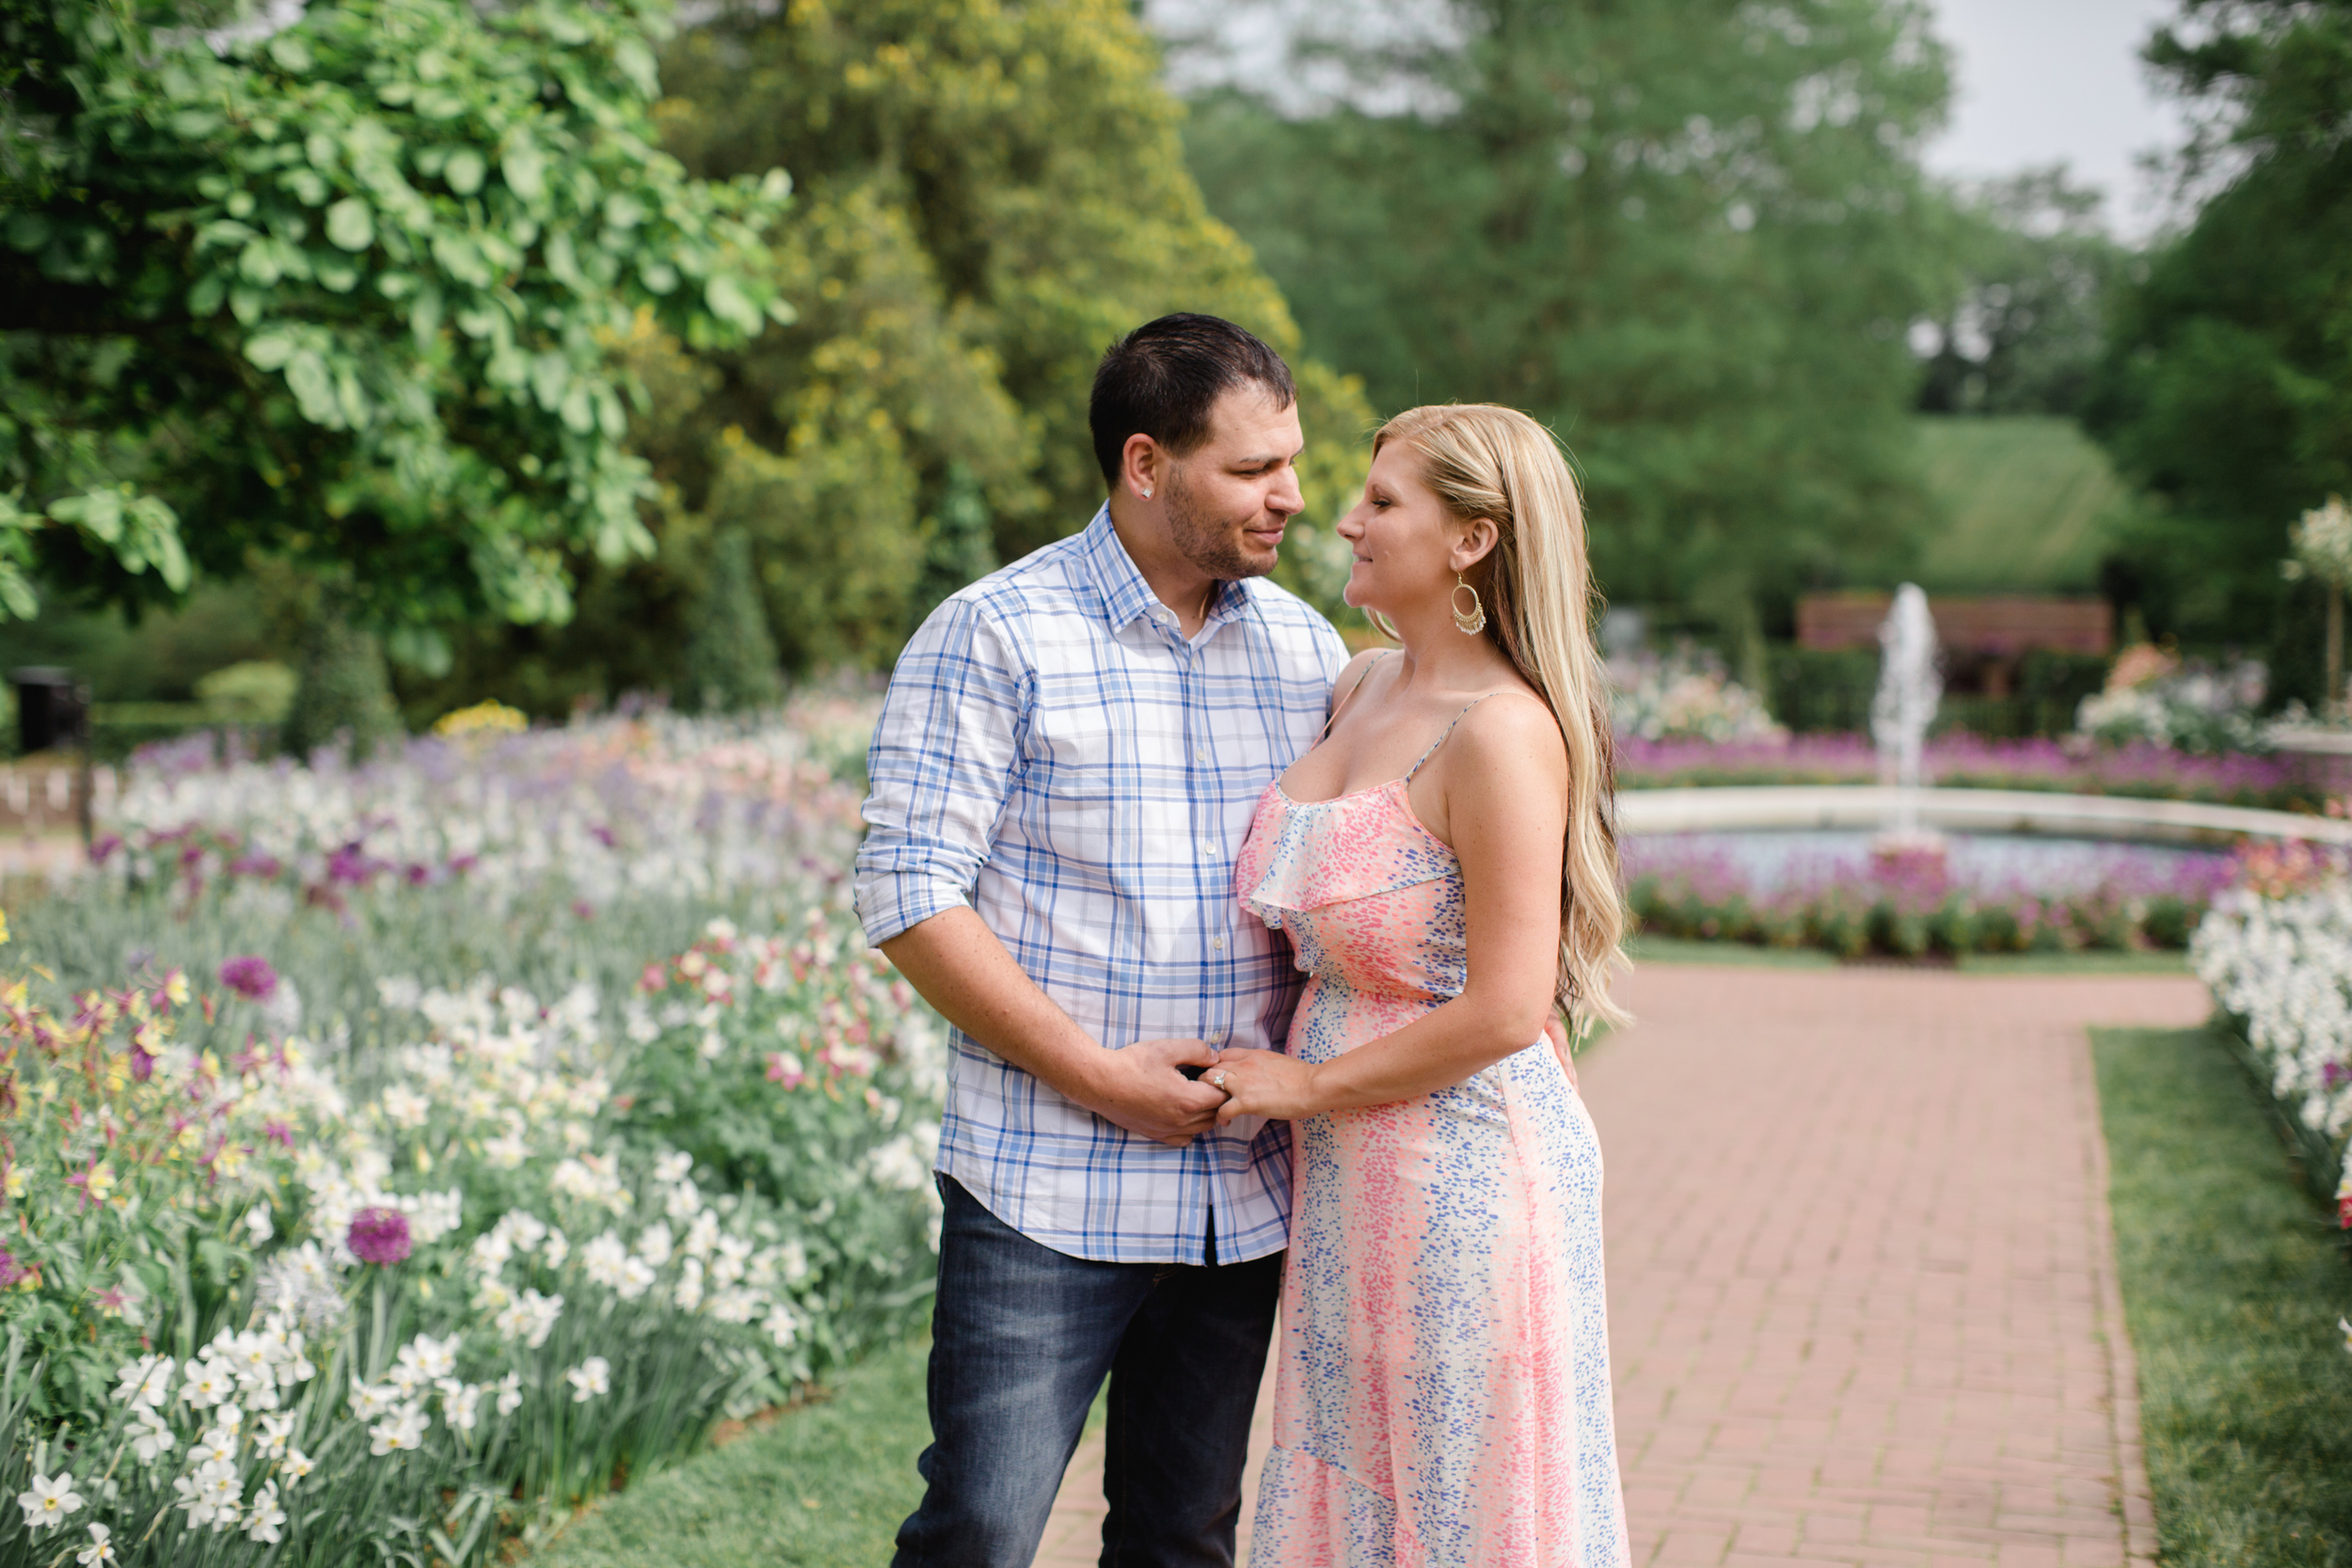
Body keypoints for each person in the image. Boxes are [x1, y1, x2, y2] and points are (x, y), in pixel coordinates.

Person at [854, 313, 1350, 1566]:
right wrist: (1095, 1071)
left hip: (1237, 1198)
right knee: (980, 1526)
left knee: (1184, 1539)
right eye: (1250, 469)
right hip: (1043, 1187)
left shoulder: (1307, 651)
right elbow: (909, 892)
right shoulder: (994, 633)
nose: (1290, 495)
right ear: (1144, 463)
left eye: (1290, 460)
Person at [1209, 404, 1634, 1566]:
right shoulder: (1358, 685)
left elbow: (1507, 1005)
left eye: (1383, 501)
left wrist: (1304, 1083)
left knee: (1458, 1503)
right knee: (1358, 1476)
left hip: (1464, 1169)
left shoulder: (1501, 732)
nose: (1344, 518)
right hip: (1349, 1173)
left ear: (1472, 539)